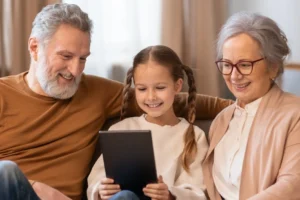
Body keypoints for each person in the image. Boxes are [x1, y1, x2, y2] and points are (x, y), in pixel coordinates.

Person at [0, 3, 232, 200]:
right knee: (6, 172)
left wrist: (241, 105)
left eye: (83, 59)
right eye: (66, 56)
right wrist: (34, 186)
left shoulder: (96, 91)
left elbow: (170, 100)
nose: (75, 70)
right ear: (34, 48)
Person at [87, 45, 208, 200]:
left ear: (177, 86)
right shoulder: (121, 130)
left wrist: (170, 194)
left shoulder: (193, 136)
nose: (151, 97)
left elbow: (198, 192)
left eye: (160, 87)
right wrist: (101, 190)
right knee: (125, 196)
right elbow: (96, 181)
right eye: (142, 89)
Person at [203, 11, 300, 200]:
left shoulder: (295, 114)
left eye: (245, 65)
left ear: (272, 67)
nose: (234, 76)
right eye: (227, 64)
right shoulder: (221, 120)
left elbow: (293, 184)